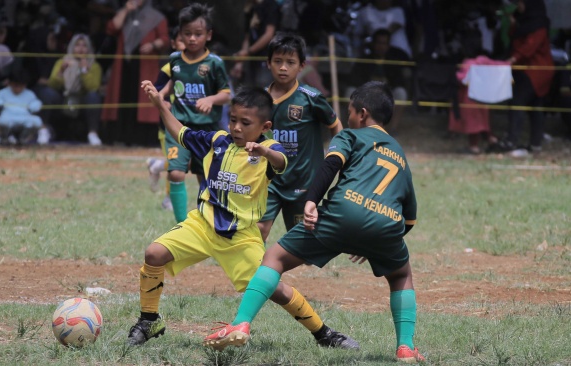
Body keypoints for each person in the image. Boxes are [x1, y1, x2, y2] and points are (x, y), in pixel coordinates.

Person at [204, 81, 425, 363]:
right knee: (401, 275)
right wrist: (376, 240)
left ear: (363, 114)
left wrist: (311, 201)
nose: (348, 118)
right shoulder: (400, 154)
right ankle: (405, 347)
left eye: (350, 111)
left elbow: (330, 164)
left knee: (274, 257)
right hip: (387, 225)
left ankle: (241, 323)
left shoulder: (352, 136)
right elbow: (410, 217)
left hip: (341, 213)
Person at [131, 81, 357, 351]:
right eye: (233, 119)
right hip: (202, 225)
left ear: (265, 127)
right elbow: (181, 131)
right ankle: (149, 321)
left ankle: (324, 333)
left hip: (241, 237)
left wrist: (264, 151)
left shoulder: (270, 150)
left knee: (274, 288)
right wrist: (159, 105)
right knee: (154, 253)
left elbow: (281, 162)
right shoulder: (216, 141)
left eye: (245, 123)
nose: (236, 127)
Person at [257, 33, 343, 243]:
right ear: (268, 64)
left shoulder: (311, 98)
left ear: (302, 65)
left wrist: (338, 155)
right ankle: (257, 274)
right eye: (277, 61)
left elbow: (336, 126)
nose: (283, 67)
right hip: (269, 179)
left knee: (300, 242)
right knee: (259, 229)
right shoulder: (259, 100)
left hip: (303, 181)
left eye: (290, 62)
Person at [160, 3, 231, 223]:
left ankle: (207, 223)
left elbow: (226, 94)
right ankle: (181, 225)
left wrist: (211, 99)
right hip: (179, 127)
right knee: (176, 173)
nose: (192, 39)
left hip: (207, 130)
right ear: (180, 34)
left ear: (208, 35)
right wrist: (161, 95)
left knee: (207, 178)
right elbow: (174, 80)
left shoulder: (214, 63)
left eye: (197, 34)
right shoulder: (175, 59)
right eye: (187, 34)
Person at [100, 0, 169, 146]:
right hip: (124, 66)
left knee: (143, 101)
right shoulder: (126, 14)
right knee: (121, 99)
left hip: (145, 66)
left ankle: (141, 139)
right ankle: (119, 138)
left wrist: (153, 44)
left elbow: (165, 39)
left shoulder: (156, 17)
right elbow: (112, 28)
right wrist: (125, 10)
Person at [499, 0, 554, 157]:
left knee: (517, 101)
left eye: (521, 3)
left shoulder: (538, 25)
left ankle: (512, 141)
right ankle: (535, 144)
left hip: (535, 70)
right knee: (535, 105)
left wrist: (512, 59)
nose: (519, 6)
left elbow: (529, 47)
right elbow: (514, 38)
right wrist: (513, 23)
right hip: (530, 68)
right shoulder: (525, 22)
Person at [40, 33, 103, 145]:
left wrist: (84, 71)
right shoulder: (61, 61)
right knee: (47, 93)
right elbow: (52, 85)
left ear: (89, 48)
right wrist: (61, 71)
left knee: (94, 97)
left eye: (84, 46)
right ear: (72, 47)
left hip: (82, 100)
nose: (80, 49)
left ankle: (93, 134)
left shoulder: (94, 65)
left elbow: (93, 87)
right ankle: (43, 130)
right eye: (77, 45)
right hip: (64, 97)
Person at [148, 26, 185, 211]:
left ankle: (156, 165)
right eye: (181, 40)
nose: (187, 44)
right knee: (175, 163)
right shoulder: (168, 68)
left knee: (187, 161)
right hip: (168, 127)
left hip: (190, 125)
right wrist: (164, 103)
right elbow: (157, 94)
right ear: (173, 43)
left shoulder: (199, 67)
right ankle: (168, 199)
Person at [348, 28, 410, 131]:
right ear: (373, 44)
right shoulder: (363, 60)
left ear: (388, 45)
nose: (381, 46)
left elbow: (399, 83)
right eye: (378, 43)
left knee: (401, 93)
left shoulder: (393, 62)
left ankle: (391, 130)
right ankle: (356, 129)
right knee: (349, 91)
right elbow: (354, 80)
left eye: (384, 43)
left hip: (386, 96)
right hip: (365, 96)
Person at [230, 0, 280, 87]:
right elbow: (248, 37)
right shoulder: (250, 8)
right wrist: (240, 61)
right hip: (253, 61)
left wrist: (248, 52)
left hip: (268, 58)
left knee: (264, 90)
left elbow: (269, 34)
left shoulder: (270, 5)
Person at [0, 69, 43, 145]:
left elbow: (35, 102)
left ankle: (24, 138)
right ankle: (5, 137)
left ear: (25, 85)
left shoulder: (29, 93)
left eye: (21, 86)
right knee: (2, 121)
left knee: (37, 121)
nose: (18, 88)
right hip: (8, 116)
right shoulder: (3, 92)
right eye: (15, 85)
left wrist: (35, 105)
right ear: (10, 83)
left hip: (25, 116)